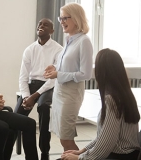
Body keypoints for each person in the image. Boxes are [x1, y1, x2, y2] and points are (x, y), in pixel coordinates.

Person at [61, 49, 141, 160]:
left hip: (118, 156)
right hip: (129, 154)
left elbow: (107, 142)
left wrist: (80, 158)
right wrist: (83, 150)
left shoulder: (112, 100)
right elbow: (104, 135)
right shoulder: (125, 95)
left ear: (101, 72)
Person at [43, 2, 93, 151]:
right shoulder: (68, 40)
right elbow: (67, 67)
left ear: (76, 18)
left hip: (71, 95)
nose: (62, 22)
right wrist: (55, 68)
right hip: (59, 92)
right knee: (62, 138)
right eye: (61, 18)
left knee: (66, 138)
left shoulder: (84, 41)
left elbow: (86, 74)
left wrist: (58, 73)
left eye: (65, 18)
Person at [15, 18, 63, 160]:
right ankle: (5, 153)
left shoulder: (58, 50)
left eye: (45, 25)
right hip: (32, 84)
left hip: (49, 86)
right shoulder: (29, 49)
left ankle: (44, 152)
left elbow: (53, 79)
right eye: (40, 24)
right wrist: (25, 97)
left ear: (52, 31)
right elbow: (23, 77)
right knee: (16, 116)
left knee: (43, 107)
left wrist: (34, 96)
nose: (41, 26)